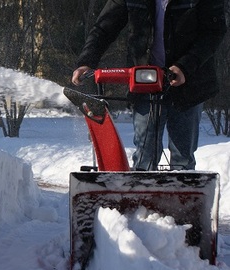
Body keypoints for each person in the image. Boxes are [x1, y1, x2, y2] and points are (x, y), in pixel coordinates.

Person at [72, 0, 227, 170]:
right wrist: (86, 61)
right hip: (145, 81)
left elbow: (213, 32)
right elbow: (104, 27)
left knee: (182, 156)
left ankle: (182, 193)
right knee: (145, 154)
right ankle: (140, 193)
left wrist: (185, 66)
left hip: (190, 82)